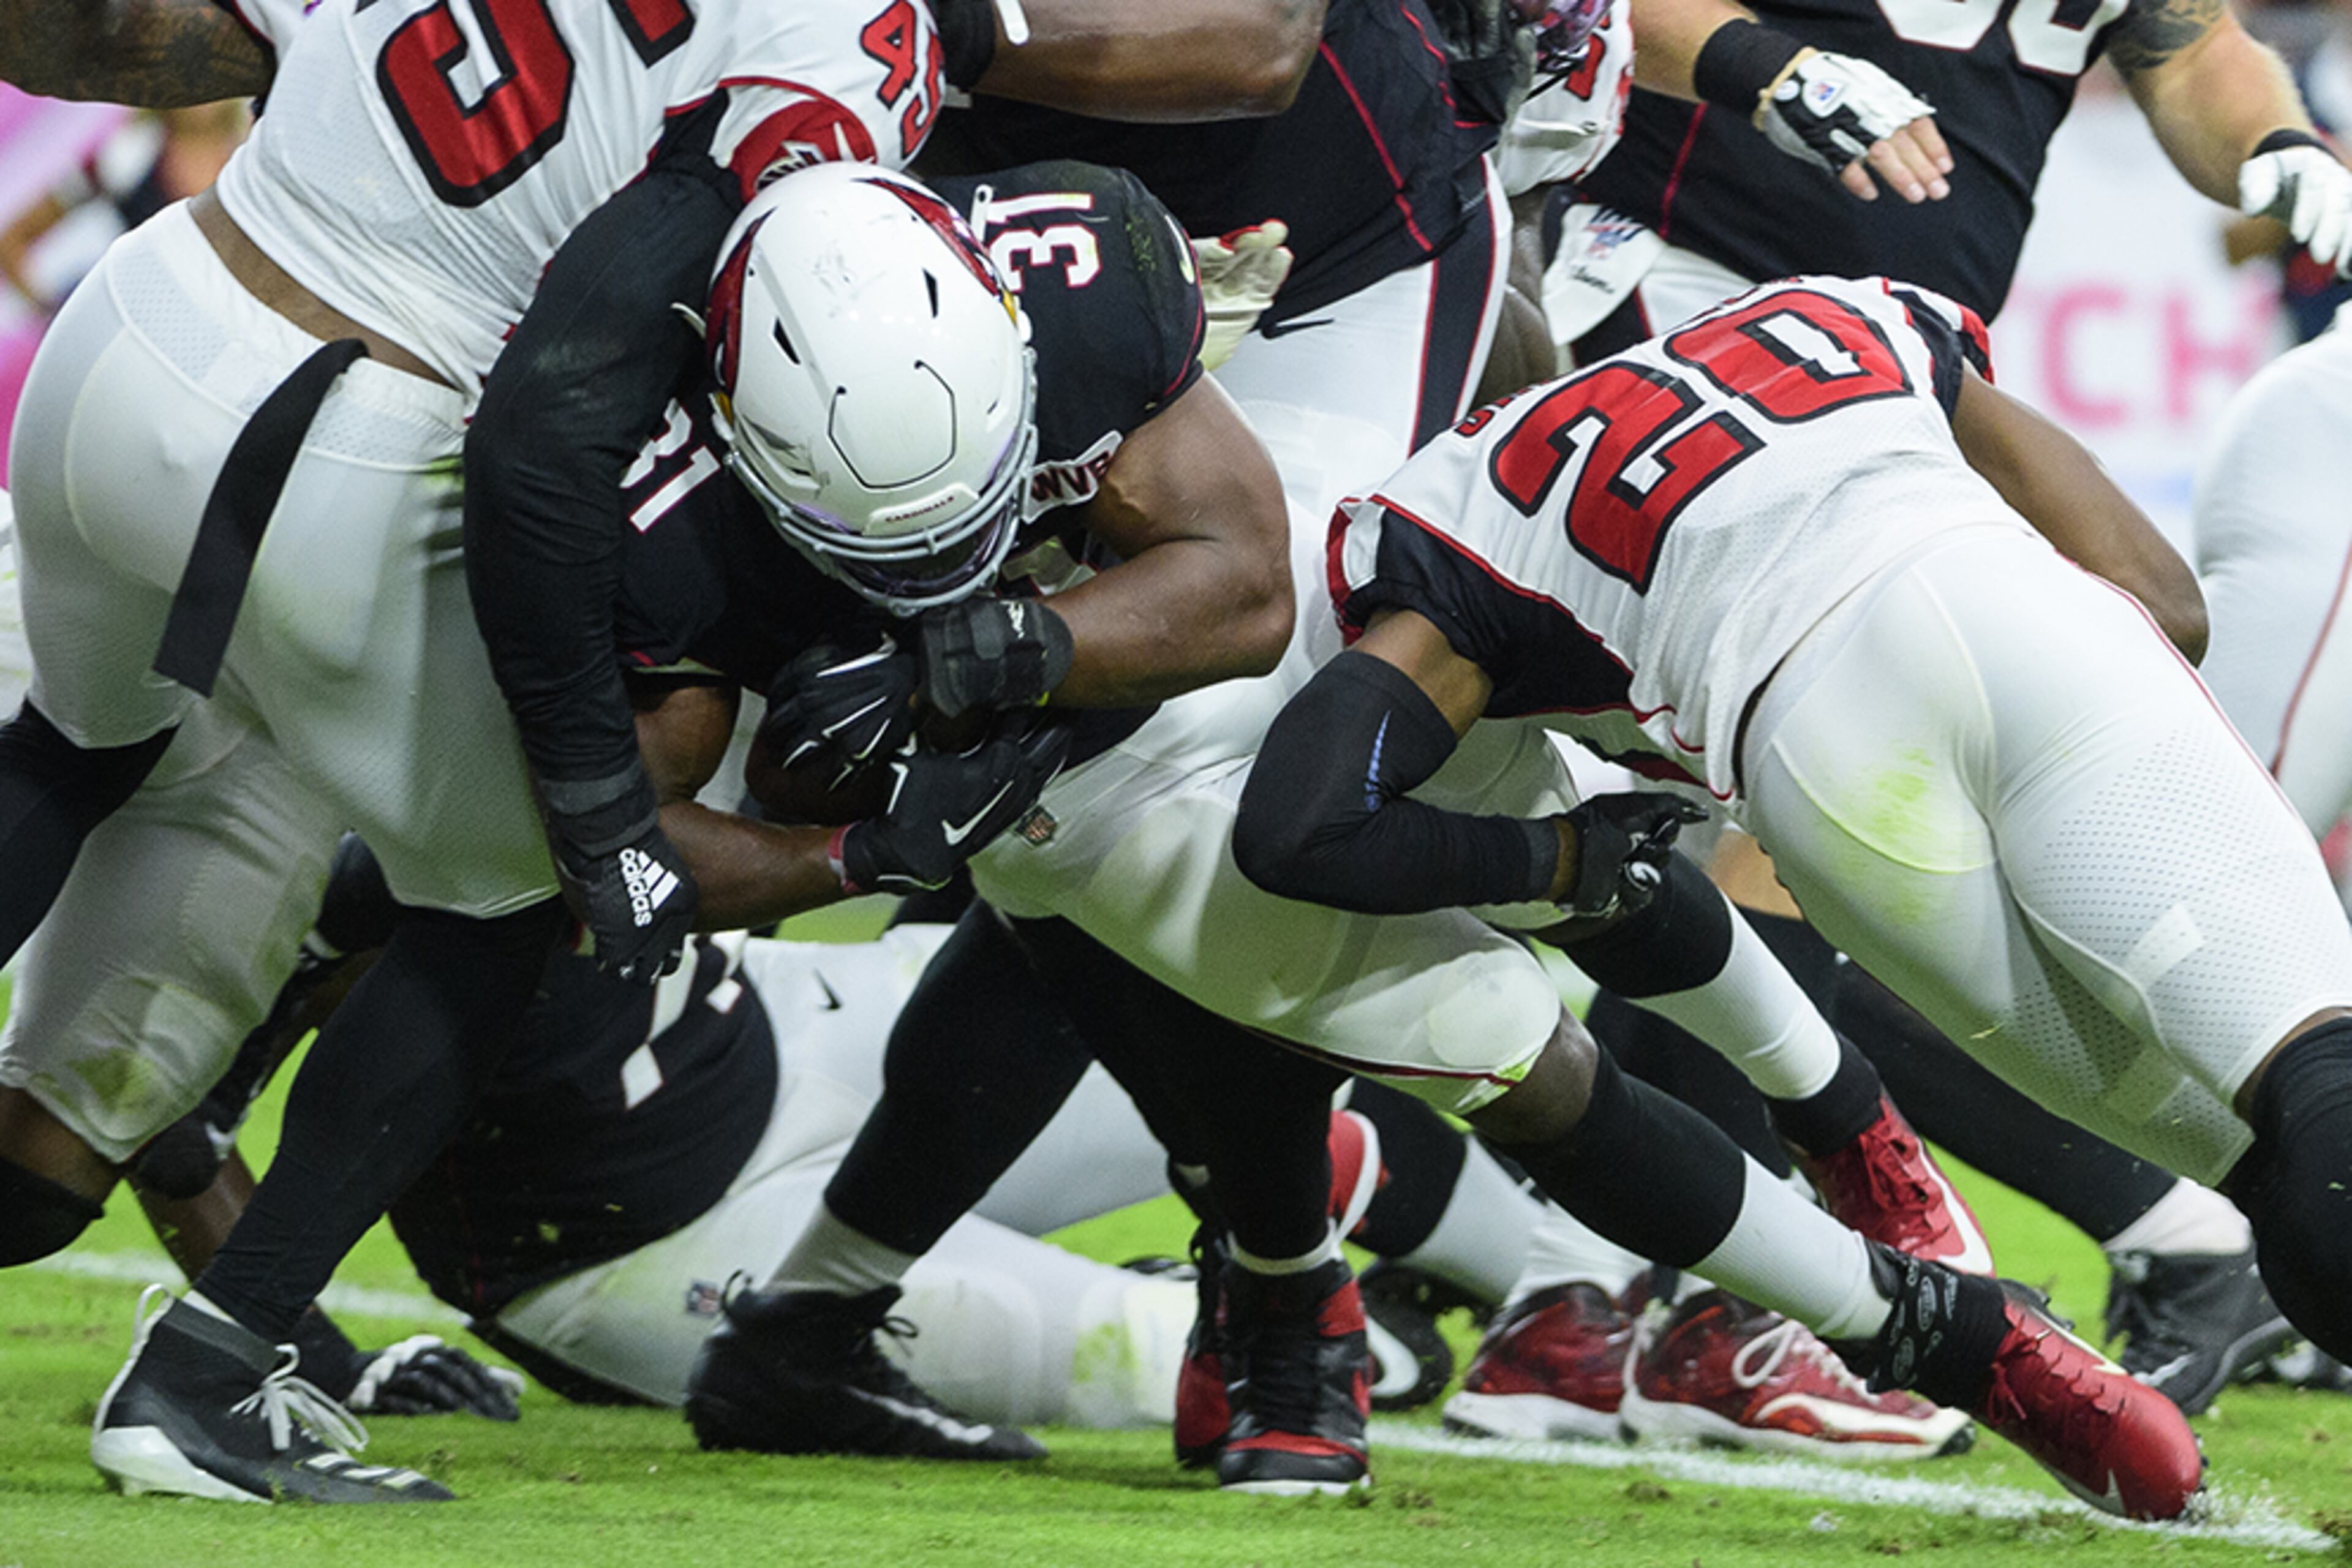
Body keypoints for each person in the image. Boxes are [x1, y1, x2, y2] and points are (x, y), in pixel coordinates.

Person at [1233, 273, 2352, 1502]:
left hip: (1822, 766)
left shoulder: (1460, 506)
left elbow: (1300, 824)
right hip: (2016, 611)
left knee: (2256, 1159)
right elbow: (2171, 605)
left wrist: (1562, 860)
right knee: (2316, 1087)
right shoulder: (1829, 310)